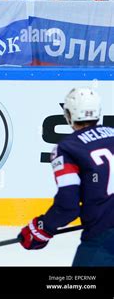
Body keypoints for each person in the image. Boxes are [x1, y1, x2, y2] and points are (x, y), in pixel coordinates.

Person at [19, 87, 114, 266]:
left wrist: (41, 228)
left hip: (103, 238)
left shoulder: (68, 148)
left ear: (69, 114)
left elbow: (68, 206)